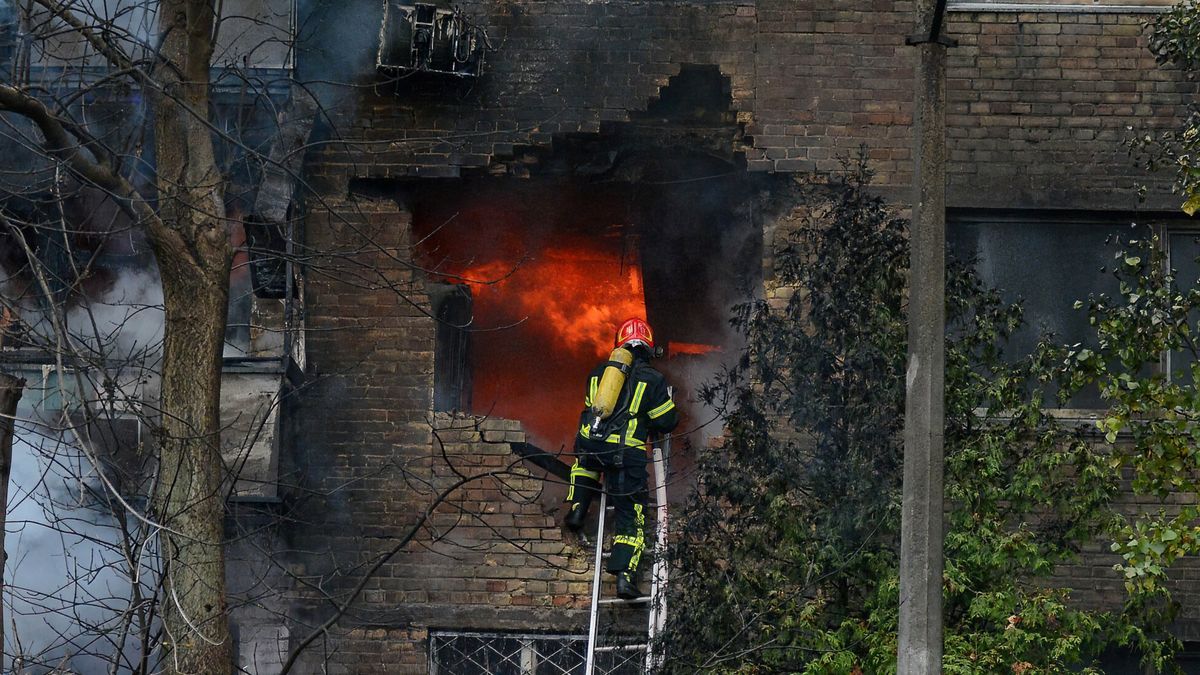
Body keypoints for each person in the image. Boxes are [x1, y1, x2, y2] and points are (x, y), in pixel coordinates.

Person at [564, 317, 678, 599]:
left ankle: (577, 509)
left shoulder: (598, 373)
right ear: (648, 348)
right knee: (631, 516)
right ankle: (625, 577)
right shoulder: (652, 379)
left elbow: (591, 410)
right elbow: (666, 421)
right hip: (626, 458)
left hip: (590, 447)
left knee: (585, 463)